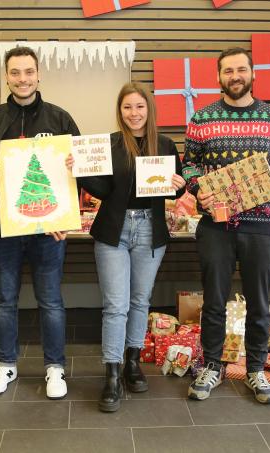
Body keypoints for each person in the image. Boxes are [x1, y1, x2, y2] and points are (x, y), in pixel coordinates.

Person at [181, 47, 270, 404]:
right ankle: (212, 366)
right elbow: (188, 165)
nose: (235, 76)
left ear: (253, 73)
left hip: (262, 224)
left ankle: (255, 369)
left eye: (241, 69)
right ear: (219, 76)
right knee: (214, 301)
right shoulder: (203, 116)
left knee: (259, 303)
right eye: (228, 70)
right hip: (216, 226)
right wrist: (200, 190)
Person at [0, 46, 80, 400]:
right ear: (6, 76)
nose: (22, 79)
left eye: (28, 72)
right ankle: (6, 364)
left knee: (51, 301)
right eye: (15, 72)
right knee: (5, 300)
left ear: (39, 75)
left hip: (48, 229)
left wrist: (75, 175)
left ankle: (55, 369)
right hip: (2, 228)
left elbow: (82, 169)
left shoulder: (59, 119)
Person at [71, 83, 185, 412]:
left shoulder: (164, 145)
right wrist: (80, 171)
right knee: (115, 305)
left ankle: (132, 363)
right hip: (113, 231)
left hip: (151, 229)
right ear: (120, 111)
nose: (133, 114)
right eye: (126, 108)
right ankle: (111, 374)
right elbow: (104, 190)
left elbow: (172, 190)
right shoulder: (109, 144)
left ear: (148, 110)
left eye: (139, 107)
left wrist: (179, 186)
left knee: (139, 301)